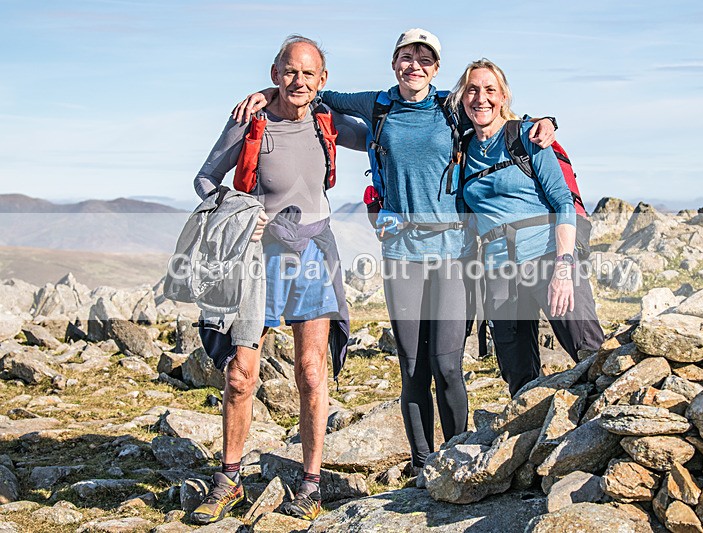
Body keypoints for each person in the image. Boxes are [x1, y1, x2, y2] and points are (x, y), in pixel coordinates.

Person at [233, 29, 557, 472]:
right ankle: (424, 466)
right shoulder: (378, 105)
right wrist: (269, 91)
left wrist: (545, 120)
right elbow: (314, 94)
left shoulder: (450, 106)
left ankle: (455, 457)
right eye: (407, 57)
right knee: (412, 370)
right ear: (394, 62)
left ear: (437, 68)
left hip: (454, 255)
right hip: (401, 254)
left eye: (425, 59)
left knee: (447, 366)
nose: (415, 66)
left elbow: (495, 115)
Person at [191, 35, 366, 524]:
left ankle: (310, 484)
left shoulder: (328, 123)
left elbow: (384, 128)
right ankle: (229, 479)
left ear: (323, 80)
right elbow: (205, 178)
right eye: (290, 72)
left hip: (314, 252)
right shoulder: (250, 120)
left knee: (311, 374)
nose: (299, 81)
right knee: (240, 376)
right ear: (274, 72)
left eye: (309, 73)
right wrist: (241, 212)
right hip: (256, 259)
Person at [448, 59, 604, 397]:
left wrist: (564, 268)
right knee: (518, 376)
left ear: (504, 97)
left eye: (490, 90)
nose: (481, 98)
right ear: (462, 99)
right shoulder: (463, 149)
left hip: (547, 257)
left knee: (589, 351)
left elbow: (562, 203)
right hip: (498, 272)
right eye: (472, 90)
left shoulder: (527, 137)